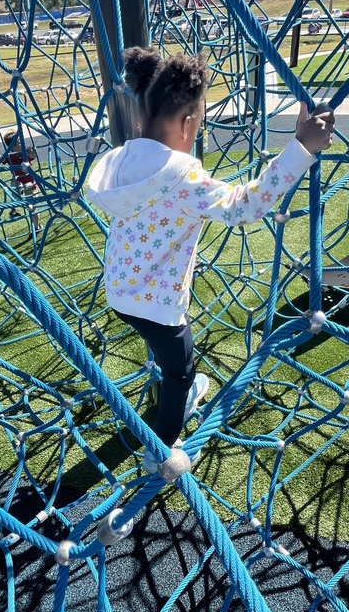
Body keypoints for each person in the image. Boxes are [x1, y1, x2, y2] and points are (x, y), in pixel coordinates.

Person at [87, 46, 335, 473]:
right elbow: (243, 206)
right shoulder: (181, 175)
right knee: (181, 373)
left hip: (120, 291)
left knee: (163, 350)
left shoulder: (123, 159)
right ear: (188, 124)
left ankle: (167, 387)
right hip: (159, 305)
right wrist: (300, 148)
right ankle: (160, 450)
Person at [0, 131, 41, 230]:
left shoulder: (25, 153)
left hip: (31, 184)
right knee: (15, 182)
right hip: (18, 182)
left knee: (32, 208)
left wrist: (32, 151)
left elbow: (32, 156)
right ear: (13, 146)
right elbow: (0, 159)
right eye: (19, 142)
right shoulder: (10, 155)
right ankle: (13, 208)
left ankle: (37, 227)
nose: (22, 143)